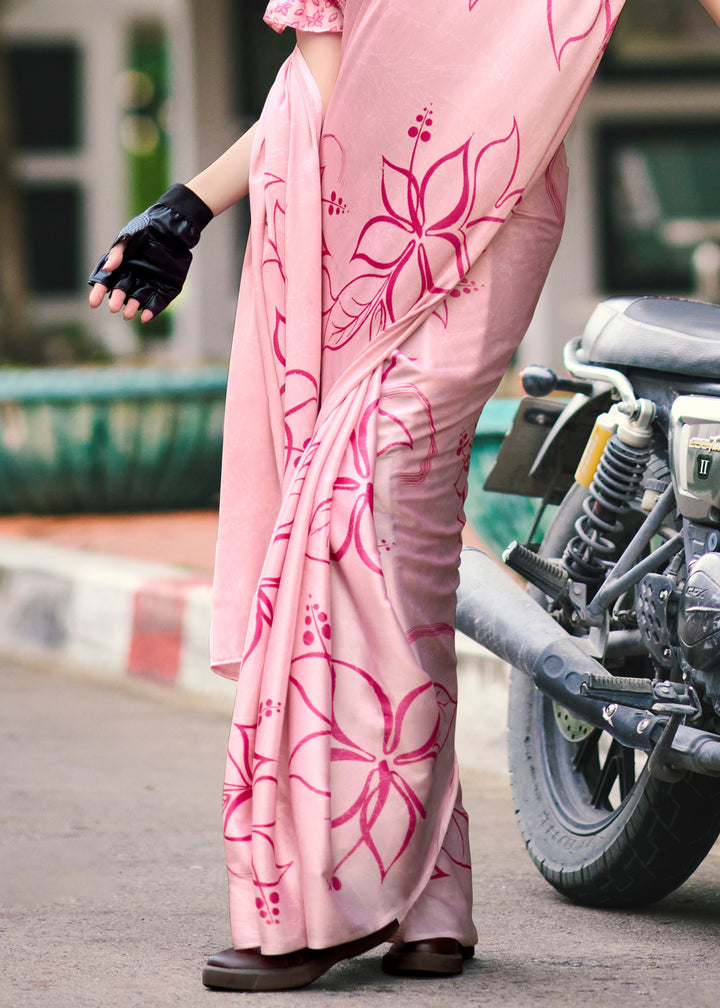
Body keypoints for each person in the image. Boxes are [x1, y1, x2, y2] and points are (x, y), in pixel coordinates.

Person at [89, 0, 720, 993]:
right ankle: (427, 900)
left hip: (479, 204)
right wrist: (189, 206)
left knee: (362, 515)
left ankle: (330, 893)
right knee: (390, 550)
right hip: (338, 210)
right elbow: (326, 70)